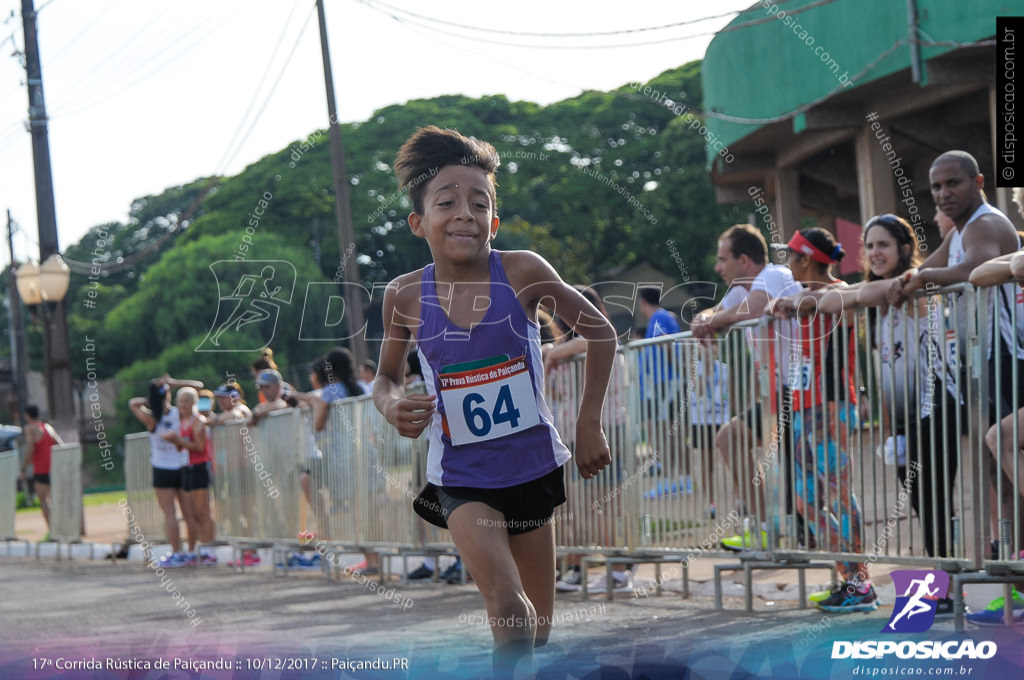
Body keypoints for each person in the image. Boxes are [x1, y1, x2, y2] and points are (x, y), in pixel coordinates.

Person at [373, 126, 615, 677]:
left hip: (531, 469)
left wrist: (588, 424)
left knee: (538, 628)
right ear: (419, 223)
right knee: (509, 609)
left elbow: (601, 333)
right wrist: (390, 405)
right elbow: (384, 378)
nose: (465, 213)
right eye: (448, 203)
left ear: (494, 221)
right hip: (462, 477)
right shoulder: (405, 295)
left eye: (479, 203)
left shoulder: (523, 271)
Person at [772, 228, 875, 612]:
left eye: (791, 257)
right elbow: (783, 305)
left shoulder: (839, 290)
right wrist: (787, 303)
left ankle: (859, 582)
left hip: (830, 405)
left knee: (839, 493)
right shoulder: (799, 296)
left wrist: (796, 301)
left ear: (805, 259)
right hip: (803, 404)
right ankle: (848, 577)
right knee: (805, 500)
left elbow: (828, 302)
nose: (787, 264)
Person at [691, 223, 797, 550]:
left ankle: (805, 536)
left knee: (803, 468)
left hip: (804, 390)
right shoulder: (742, 288)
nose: (717, 267)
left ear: (745, 260)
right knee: (729, 438)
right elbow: (713, 314)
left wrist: (710, 322)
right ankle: (765, 526)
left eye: (723, 259)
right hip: (778, 394)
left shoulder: (774, 275)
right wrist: (706, 318)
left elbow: (751, 310)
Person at [129, 374, 203, 567]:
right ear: (168, 395)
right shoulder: (179, 413)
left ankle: (177, 553)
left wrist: (152, 397)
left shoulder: (151, 418)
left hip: (162, 469)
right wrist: (172, 384)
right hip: (182, 466)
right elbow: (198, 385)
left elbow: (132, 404)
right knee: (188, 512)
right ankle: (191, 552)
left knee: (170, 514)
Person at [160, 387, 217, 565]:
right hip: (187, 467)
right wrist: (175, 442)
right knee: (191, 512)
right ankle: (197, 550)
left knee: (202, 512)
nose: (181, 404)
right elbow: (182, 447)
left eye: (185, 401)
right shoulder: (182, 422)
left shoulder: (197, 421)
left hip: (199, 467)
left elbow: (200, 447)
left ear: (193, 402)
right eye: (179, 401)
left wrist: (178, 441)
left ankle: (209, 550)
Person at [19, 405, 63, 537]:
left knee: (44, 501)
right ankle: (60, 528)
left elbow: (31, 449)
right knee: (54, 500)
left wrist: (23, 467)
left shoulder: (29, 428)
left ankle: (53, 531)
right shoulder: (48, 427)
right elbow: (60, 444)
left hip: (41, 470)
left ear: (27, 415)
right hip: (53, 468)